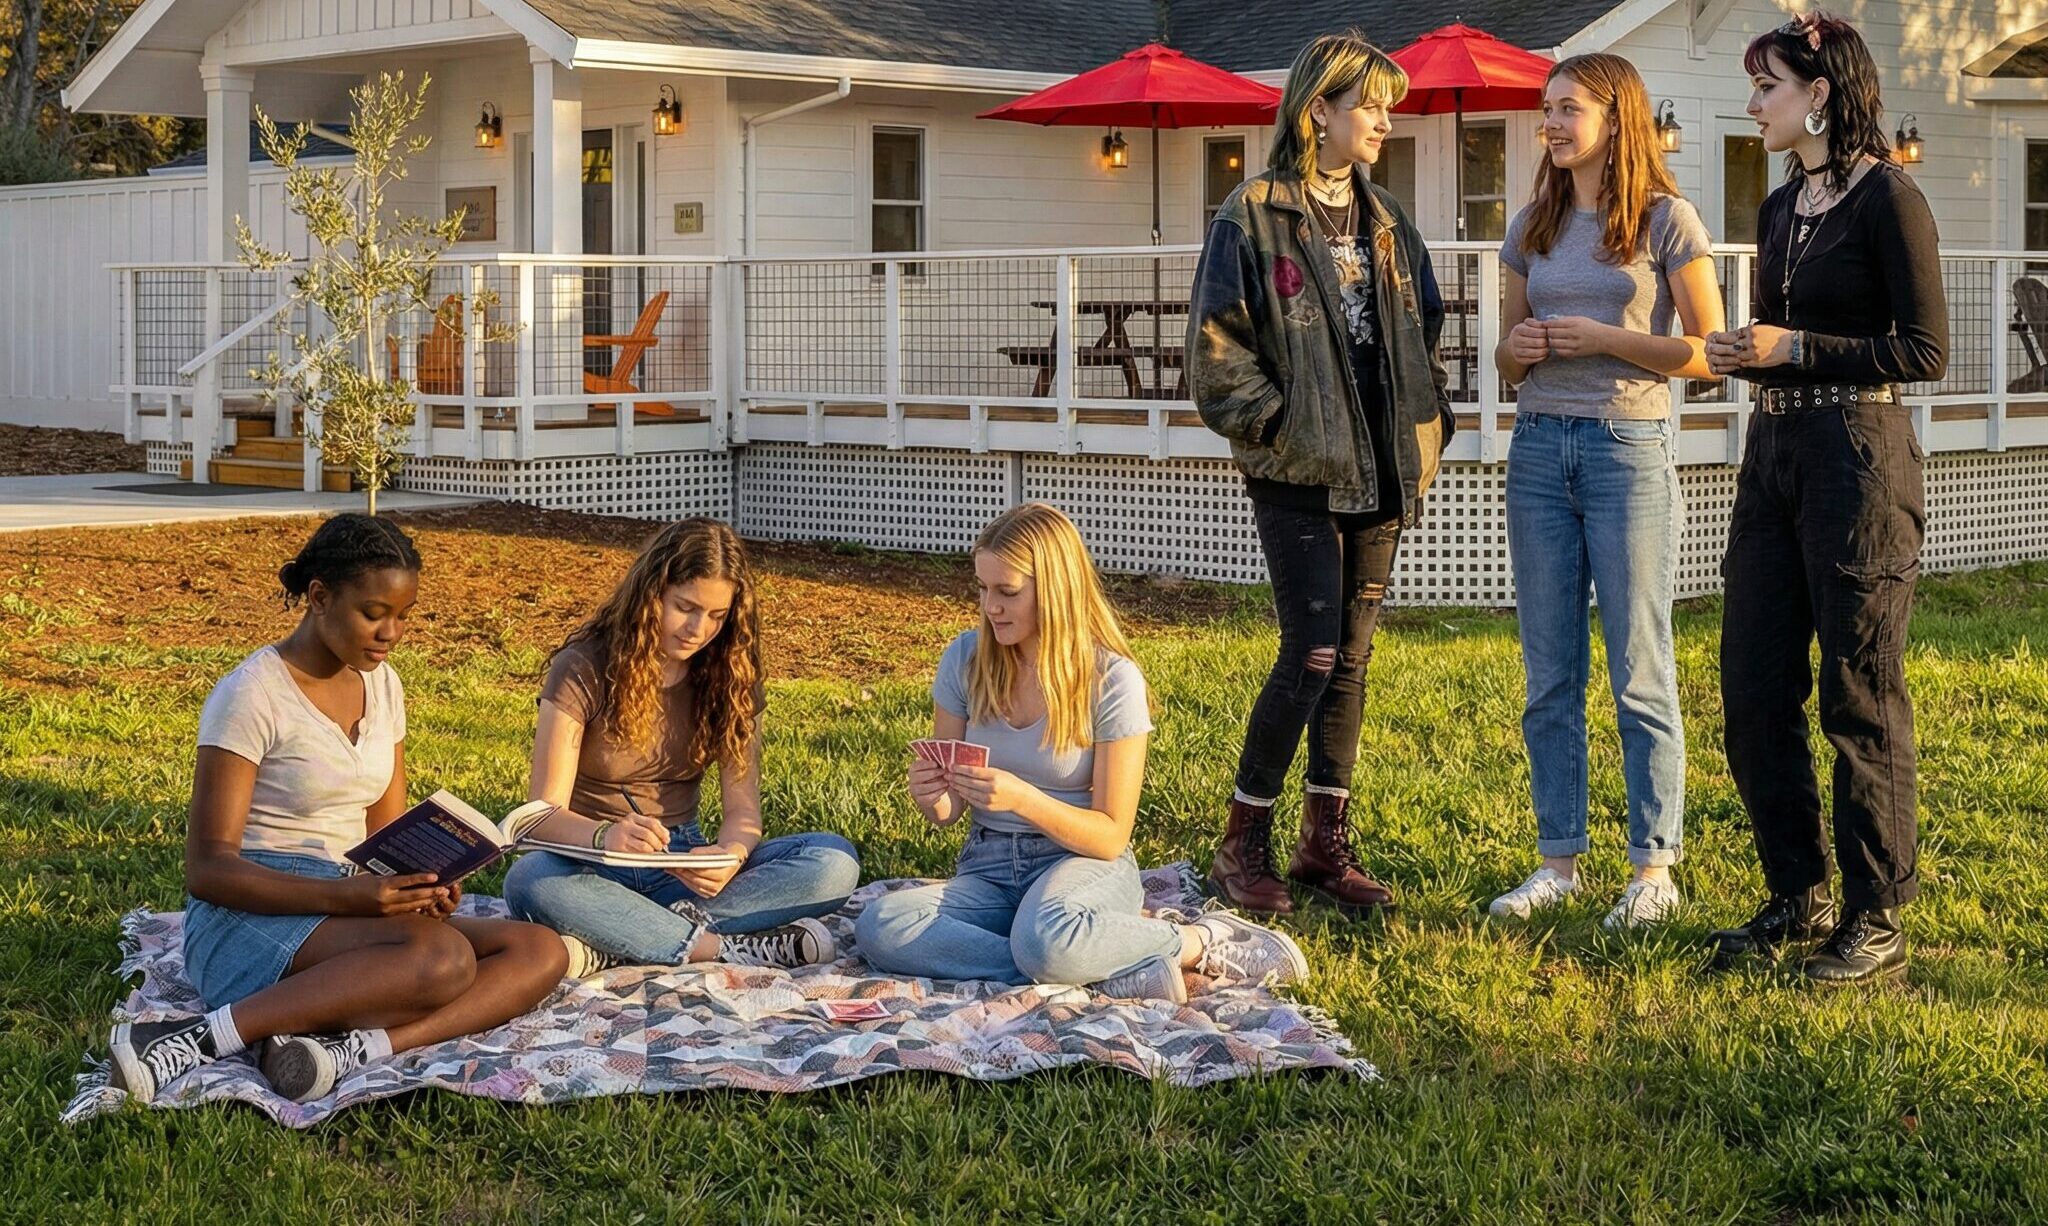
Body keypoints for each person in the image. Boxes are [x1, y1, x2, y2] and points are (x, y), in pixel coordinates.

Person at [108, 515, 568, 1105]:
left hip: (346, 900)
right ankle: (195, 1039)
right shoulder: (251, 694)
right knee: (444, 959)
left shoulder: (384, 686)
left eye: (403, 615)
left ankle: (348, 1050)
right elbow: (208, 871)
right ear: (320, 597)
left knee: (538, 950)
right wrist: (349, 899)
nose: (391, 632)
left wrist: (422, 887)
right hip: (251, 907)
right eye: (374, 614)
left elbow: (388, 836)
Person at [1184, 29, 1456, 917]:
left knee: (1353, 662)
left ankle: (1321, 847)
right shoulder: (1252, 213)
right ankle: (1242, 844)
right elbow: (1218, 348)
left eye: (1385, 104)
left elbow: (1427, 324)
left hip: (1381, 468)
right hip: (1297, 470)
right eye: (1369, 104)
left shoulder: (1387, 222)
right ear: (1319, 112)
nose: (1384, 119)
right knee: (1311, 651)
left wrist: (1431, 421)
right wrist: (1278, 427)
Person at [1704, 10, 1947, 984]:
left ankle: (1875, 912)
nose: (1752, 103)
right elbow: (1777, 339)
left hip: (1859, 456)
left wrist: (1796, 348)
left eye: (1766, 84)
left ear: (1818, 92)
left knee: (1857, 686)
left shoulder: (1890, 198)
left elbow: (1923, 350)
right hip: (1774, 455)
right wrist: (1745, 353)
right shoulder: (1775, 209)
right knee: (1752, 682)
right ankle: (1794, 891)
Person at [856, 504, 1307, 1001]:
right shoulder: (965, 660)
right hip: (987, 866)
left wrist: (1022, 798)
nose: (990, 607)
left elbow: (1111, 836)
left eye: (1007, 592)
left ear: (1054, 592)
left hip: (1082, 865)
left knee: (1045, 937)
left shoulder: (1111, 680)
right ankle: (1099, 964)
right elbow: (950, 810)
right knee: (883, 924)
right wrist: (932, 796)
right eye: (982, 589)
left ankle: (1195, 942)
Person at [1487, 53, 1725, 930]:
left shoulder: (1667, 220)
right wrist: (1532, 348)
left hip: (1630, 448)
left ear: (1615, 118)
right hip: (1541, 449)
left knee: (1639, 666)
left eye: (1566, 109)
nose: (1549, 124)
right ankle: (1558, 862)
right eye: (1546, 110)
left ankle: (1652, 870)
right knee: (1549, 672)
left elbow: (1708, 353)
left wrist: (1605, 338)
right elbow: (1503, 356)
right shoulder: (1534, 225)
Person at [503, 518, 860, 976]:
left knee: (833, 861)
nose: (698, 629)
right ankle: (720, 948)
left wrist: (729, 855)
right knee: (530, 881)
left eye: (716, 616)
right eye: (685, 607)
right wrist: (605, 836)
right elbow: (538, 816)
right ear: (651, 594)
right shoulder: (584, 668)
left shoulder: (729, 674)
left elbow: (743, 814)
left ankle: (624, 942)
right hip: (592, 861)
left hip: (681, 863)